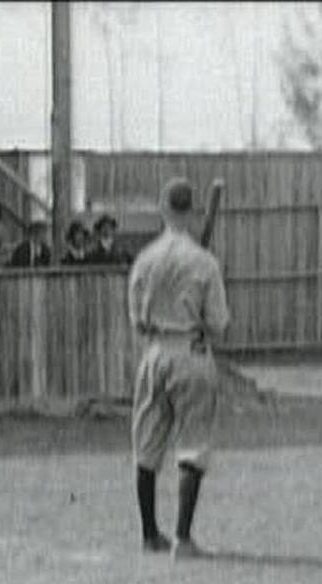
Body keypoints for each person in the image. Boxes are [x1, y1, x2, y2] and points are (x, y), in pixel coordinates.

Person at [128, 178, 230, 559]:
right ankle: (182, 540)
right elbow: (218, 323)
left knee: (146, 444)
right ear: (192, 211)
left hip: (155, 352)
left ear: (163, 209)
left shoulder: (145, 259)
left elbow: (137, 321)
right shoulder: (204, 262)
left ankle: (149, 535)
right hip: (190, 351)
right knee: (193, 444)